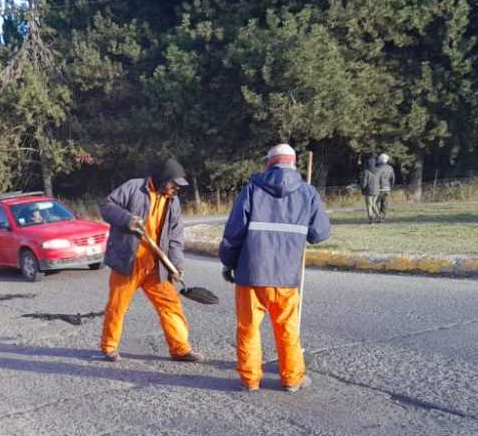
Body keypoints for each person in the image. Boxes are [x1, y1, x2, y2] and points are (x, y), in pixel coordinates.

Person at [219, 144, 331, 393]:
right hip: (286, 277)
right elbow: (320, 233)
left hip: (251, 275)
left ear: (268, 163)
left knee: (248, 328)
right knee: (287, 329)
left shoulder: (252, 189)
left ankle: (250, 380)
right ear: (293, 163)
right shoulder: (308, 193)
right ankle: (292, 379)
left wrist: (228, 261)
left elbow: (234, 232)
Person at [99, 157, 205, 363]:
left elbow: (175, 236)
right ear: (163, 179)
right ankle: (109, 347)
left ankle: (180, 349)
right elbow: (106, 206)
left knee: (171, 305)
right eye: (173, 184)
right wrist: (127, 219)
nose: (176, 189)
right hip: (128, 263)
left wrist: (176, 265)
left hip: (156, 266)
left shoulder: (172, 201)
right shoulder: (133, 188)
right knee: (117, 306)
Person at [360, 156, 381, 223]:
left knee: (369, 205)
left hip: (368, 190)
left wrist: (362, 188)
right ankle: (379, 216)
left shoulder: (366, 171)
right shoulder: (378, 170)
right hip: (377, 190)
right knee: (374, 204)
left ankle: (371, 219)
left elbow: (364, 182)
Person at [375, 153, 396, 221]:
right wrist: (391, 186)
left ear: (380, 160)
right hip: (387, 188)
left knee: (376, 203)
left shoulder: (378, 168)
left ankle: (378, 217)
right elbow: (393, 178)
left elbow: (376, 178)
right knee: (385, 204)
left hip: (379, 188)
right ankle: (383, 217)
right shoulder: (390, 168)